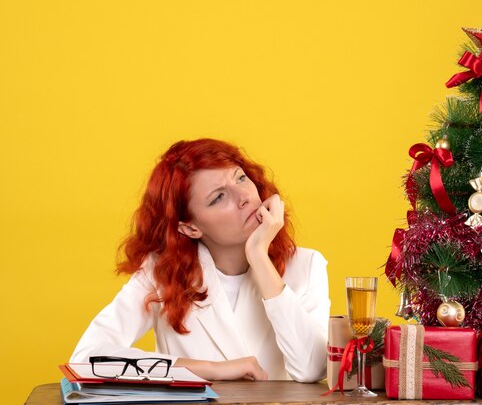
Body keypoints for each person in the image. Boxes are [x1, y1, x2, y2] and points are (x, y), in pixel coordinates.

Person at [71, 138, 330, 383]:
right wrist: (209, 369)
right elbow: (86, 359)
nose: (244, 197)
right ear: (190, 228)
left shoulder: (306, 266)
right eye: (218, 197)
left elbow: (312, 368)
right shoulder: (161, 271)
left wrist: (259, 257)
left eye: (241, 177)